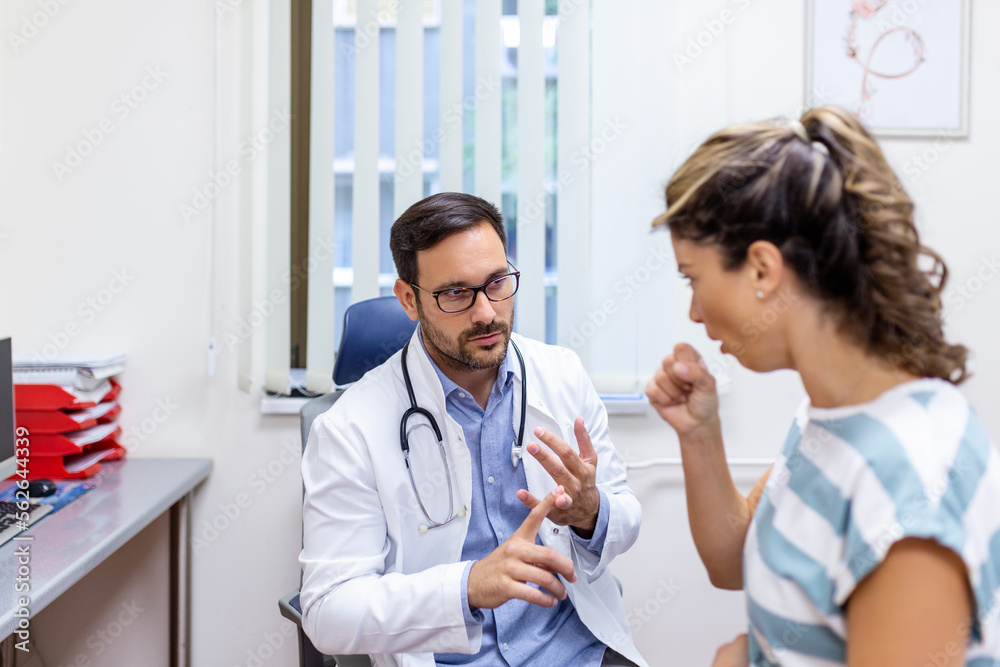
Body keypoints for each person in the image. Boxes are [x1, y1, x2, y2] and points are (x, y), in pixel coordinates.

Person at [645, 106, 1000, 666]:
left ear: (762, 270)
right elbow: (733, 561)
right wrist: (699, 433)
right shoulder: (833, 412)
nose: (693, 311)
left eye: (694, 278)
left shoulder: (909, 482)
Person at [299, 192, 646, 667]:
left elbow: (625, 518)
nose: (486, 312)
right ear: (409, 300)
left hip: (575, 652)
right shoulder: (348, 429)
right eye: (456, 293)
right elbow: (327, 612)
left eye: (497, 282)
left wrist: (591, 512)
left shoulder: (562, 376)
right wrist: (468, 586)